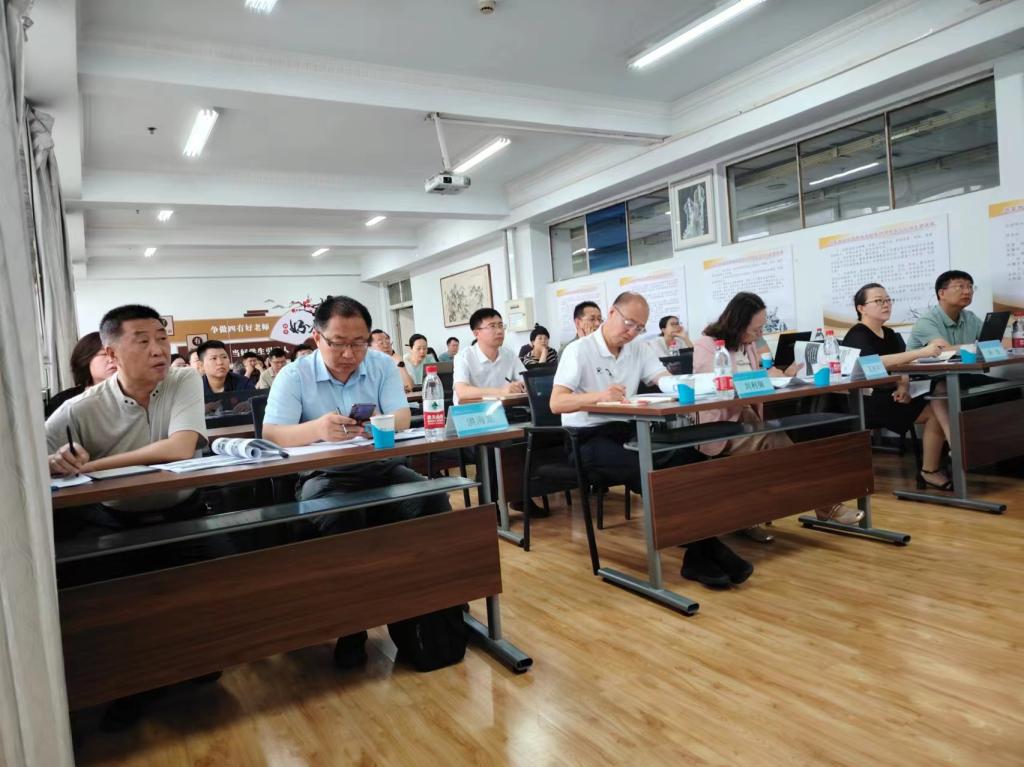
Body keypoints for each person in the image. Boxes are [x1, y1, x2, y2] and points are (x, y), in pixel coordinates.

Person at [46, 304, 222, 729]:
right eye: (142, 341)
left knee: (211, 588)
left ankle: (195, 662)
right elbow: (33, 457)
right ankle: (130, 687)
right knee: (120, 610)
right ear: (111, 353)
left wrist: (93, 465)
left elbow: (179, 448)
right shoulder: (81, 408)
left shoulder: (182, 380)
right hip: (116, 521)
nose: (159, 349)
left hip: (184, 510)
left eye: (162, 338)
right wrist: (57, 461)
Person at [261, 295, 450, 669]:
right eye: (338, 343)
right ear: (318, 338)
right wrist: (317, 429)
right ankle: (352, 625)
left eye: (359, 343)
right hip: (324, 476)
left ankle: (436, 607)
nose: (349, 354)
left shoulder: (380, 364)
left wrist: (379, 422)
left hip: (382, 469)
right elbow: (271, 433)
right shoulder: (294, 375)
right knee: (343, 520)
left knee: (433, 500)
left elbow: (401, 415)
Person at [551, 291, 752, 588]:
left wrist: (693, 384)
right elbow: (556, 403)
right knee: (651, 471)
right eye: (629, 323)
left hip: (628, 432)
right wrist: (599, 396)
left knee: (690, 457)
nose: (632, 332)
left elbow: (661, 379)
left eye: (640, 327)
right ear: (612, 313)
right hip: (586, 440)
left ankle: (700, 552)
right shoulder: (579, 350)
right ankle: (707, 550)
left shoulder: (638, 348)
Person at [693, 292, 864, 538]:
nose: (759, 334)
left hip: (749, 418)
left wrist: (784, 375)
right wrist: (765, 377)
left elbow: (759, 379)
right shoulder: (707, 344)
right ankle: (826, 505)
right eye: (756, 329)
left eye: (762, 328)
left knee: (781, 440)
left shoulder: (748, 344)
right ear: (738, 323)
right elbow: (718, 384)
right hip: (719, 425)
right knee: (776, 442)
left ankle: (753, 518)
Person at [843, 283, 952, 490]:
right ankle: (931, 469)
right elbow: (875, 363)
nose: (886, 304)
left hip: (893, 393)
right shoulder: (857, 334)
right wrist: (920, 352)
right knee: (936, 411)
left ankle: (932, 468)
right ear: (861, 308)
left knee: (939, 398)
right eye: (878, 301)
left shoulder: (890, 333)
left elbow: (903, 366)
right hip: (868, 400)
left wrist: (904, 386)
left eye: (887, 300)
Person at [453, 308, 526, 405]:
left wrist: (520, 386)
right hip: (473, 411)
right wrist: (501, 392)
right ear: (476, 333)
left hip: (506, 409)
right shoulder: (464, 357)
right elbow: (462, 391)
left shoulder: (509, 355)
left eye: (500, 326)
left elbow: (527, 382)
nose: (499, 331)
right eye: (492, 326)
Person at [45, 331, 118, 417]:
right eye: (104, 354)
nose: (112, 359)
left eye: (115, 354)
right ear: (85, 359)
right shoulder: (63, 401)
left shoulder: (129, 397)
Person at [908, 270, 983, 349]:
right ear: (941, 293)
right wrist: (977, 347)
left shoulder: (971, 317)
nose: (967, 292)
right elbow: (944, 350)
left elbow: (990, 340)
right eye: (960, 286)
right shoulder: (926, 321)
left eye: (970, 287)